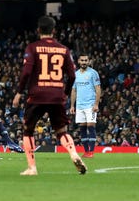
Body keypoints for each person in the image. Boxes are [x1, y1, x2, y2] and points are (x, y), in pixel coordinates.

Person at [13, 15, 87, 175]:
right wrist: (65, 93)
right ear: (54, 31)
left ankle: (32, 167)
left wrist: (19, 92)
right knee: (62, 131)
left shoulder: (32, 48)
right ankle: (73, 153)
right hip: (56, 95)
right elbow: (73, 75)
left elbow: (26, 73)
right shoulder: (63, 49)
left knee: (28, 130)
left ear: (38, 30)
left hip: (37, 95)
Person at [69, 53, 102, 158]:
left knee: (91, 126)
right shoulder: (76, 74)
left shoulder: (93, 73)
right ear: (78, 61)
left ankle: (91, 152)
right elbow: (74, 90)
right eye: (82, 60)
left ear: (89, 61)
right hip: (79, 105)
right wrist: (72, 105)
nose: (84, 62)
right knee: (82, 128)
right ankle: (86, 151)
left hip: (90, 105)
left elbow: (98, 89)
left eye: (86, 60)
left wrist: (96, 104)